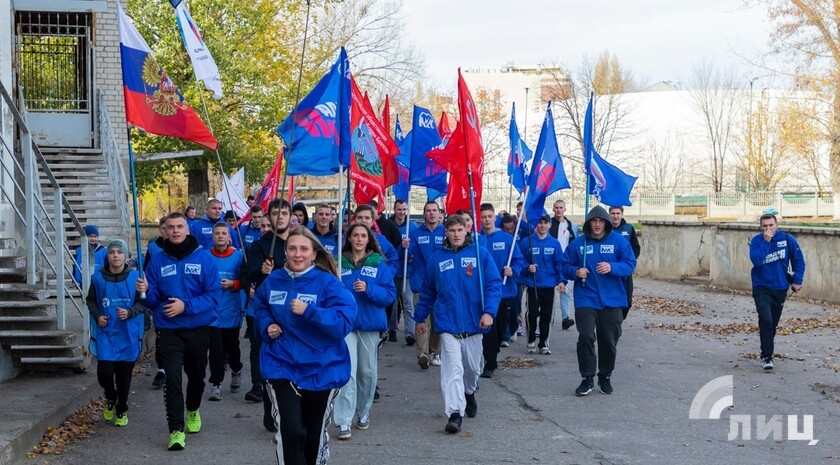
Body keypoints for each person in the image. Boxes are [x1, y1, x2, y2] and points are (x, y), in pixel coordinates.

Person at [252, 228, 356, 465]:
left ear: (314, 254)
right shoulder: (274, 280)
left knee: (312, 435)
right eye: (292, 248)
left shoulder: (328, 283)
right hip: (282, 365)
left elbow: (343, 323)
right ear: (285, 251)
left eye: (303, 249)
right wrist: (267, 325)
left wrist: (310, 312)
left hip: (322, 369)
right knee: (291, 431)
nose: (297, 254)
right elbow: (260, 307)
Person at [137, 212, 220, 451]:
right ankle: (175, 429)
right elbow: (152, 301)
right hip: (169, 330)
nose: (175, 231)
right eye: (170, 227)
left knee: (196, 378)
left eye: (179, 226)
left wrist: (186, 306)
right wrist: (143, 292)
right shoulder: (157, 262)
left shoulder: (204, 259)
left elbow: (214, 297)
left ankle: (192, 409)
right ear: (164, 231)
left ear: (187, 229)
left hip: (198, 328)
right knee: (172, 378)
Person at [414, 215, 502, 434]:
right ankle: (454, 413)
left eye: (459, 230)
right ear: (446, 232)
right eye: (451, 230)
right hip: (447, 325)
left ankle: (469, 392)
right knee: (452, 370)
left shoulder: (480, 254)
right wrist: (419, 318)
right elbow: (428, 293)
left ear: (467, 230)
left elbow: (493, 284)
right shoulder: (436, 259)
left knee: (472, 370)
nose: (455, 234)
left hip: (474, 324)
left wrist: (489, 312)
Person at [562, 206, 636, 396]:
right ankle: (587, 378)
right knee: (586, 336)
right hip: (586, 298)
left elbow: (630, 264)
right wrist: (575, 272)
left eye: (601, 221)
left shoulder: (618, 242)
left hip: (612, 300)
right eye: (594, 221)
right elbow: (563, 265)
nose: (597, 224)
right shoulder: (579, 244)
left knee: (608, 341)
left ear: (606, 223)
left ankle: (605, 375)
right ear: (588, 223)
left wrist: (612, 267)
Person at [333, 224, 396, 439]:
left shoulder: (379, 264)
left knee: (366, 373)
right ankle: (343, 421)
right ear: (348, 238)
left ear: (368, 239)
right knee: (347, 373)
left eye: (363, 236)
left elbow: (389, 295)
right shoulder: (338, 263)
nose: (359, 239)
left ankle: (363, 411)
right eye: (355, 235)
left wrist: (370, 290)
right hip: (346, 326)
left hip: (369, 325)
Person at [241, 199, 291, 429]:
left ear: (291, 216)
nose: (280, 217)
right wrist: (261, 271)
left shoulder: (299, 242)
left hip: (295, 311)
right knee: (269, 359)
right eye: (275, 213)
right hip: (269, 311)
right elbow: (249, 273)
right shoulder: (261, 245)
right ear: (268, 217)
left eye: (284, 213)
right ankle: (270, 409)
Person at [87, 239, 147, 427]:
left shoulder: (137, 277)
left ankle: (122, 408)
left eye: (119, 252)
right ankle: (110, 397)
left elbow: (143, 303)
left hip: (127, 333)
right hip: (106, 332)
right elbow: (91, 301)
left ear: (125, 256)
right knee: (104, 374)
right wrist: (97, 317)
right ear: (107, 255)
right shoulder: (97, 278)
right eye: (112, 252)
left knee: (123, 376)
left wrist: (130, 312)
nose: (115, 255)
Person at [749, 213, 806, 370]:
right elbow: (757, 261)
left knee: (772, 322)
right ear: (761, 227)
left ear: (777, 225)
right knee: (765, 318)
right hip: (761, 286)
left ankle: (766, 346)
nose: (768, 229)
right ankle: (767, 357)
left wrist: (797, 281)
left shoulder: (787, 239)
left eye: (771, 225)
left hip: (780, 287)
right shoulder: (756, 241)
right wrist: (766, 242)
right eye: (764, 226)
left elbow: (799, 260)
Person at [477, 203, 525, 378]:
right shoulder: (477, 240)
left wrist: (512, 270)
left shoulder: (506, 239)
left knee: (500, 328)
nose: (486, 220)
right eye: (483, 217)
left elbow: (519, 261)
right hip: (485, 292)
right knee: (489, 328)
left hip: (504, 290)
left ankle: (494, 350)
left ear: (495, 218)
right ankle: (490, 363)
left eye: (489, 216)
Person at [206, 222, 246, 401]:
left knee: (231, 346)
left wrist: (233, 284)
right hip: (212, 310)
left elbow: (245, 279)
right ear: (213, 236)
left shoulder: (238, 256)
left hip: (231, 308)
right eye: (217, 233)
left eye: (224, 233)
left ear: (229, 237)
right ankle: (216, 384)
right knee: (215, 350)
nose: (220, 236)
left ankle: (236, 368)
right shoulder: (205, 256)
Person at [405, 201, 446, 369]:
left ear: (439, 213)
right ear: (424, 214)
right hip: (421, 285)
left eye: (434, 210)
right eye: (428, 211)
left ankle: (434, 351)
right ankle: (422, 353)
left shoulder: (446, 232)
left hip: (441, 285)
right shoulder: (415, 233)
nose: (431, 213)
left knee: (437, 321)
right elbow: (409, 257)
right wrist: (405, 249)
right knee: (421, 319)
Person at [519, 214, 565, 355]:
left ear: (550, 225)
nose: (543, 226)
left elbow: (559, 263)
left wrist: (562, 280)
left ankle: (544, 343)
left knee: (546, 315)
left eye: (545, 223)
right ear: (535, 225)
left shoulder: (554, 243)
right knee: (531, 314)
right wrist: (528, 267)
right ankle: (531, 339)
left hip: (549, 286)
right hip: (532, 285)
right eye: (540, 223)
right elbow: (519, 260)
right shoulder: (527, 242)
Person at [389, 199, 417, 345]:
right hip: (392, 271)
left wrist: (411, 255)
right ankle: (392, 329)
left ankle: (410, 333)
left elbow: (416, 247)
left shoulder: (411, 227)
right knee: (392, 302)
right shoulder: (389, 225)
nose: (402, 212)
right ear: (394, 209)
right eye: (399, 209)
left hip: (407, 271)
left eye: (404, 209)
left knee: (408, 302)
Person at [144, 217, 168, 389]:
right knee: (161, 337)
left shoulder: (185, 249)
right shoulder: (153, 248)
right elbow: (146, 270)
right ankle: (161, 370)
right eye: (166, 228)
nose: (171, 231)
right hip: (159, 299)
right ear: (161, 230)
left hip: (179, 301)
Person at [550, 200, 580, 330]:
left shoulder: (571, 226)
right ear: (553, 209)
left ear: (565, 209)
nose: (558, 210)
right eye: (556, 208)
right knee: (550, 291)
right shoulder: (549, 224)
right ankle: (549, 316)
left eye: (561, 207)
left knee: (566, 290)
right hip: (551, 262)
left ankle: (566, 318)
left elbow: (575, 243)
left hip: (566, 261)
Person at [608, 206, 640, 320]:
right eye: (613, 213)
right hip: (610, 271)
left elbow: (636, 248)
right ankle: (613, 323)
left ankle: (619, 319)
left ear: (622, 214)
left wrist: (629, 261)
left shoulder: (629, 228)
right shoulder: (606, 229)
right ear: (609, 214)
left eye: (617, 213)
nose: (615, 216)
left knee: (627, 300)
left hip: (625, 271)